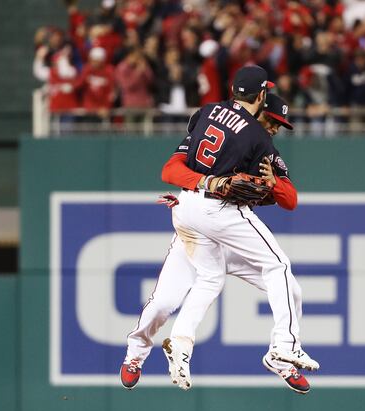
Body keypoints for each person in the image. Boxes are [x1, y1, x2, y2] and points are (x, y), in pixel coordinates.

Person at [120, 66, 319, 393]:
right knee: (162, 303)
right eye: (273, 120)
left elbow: (289, 197)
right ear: (260, 102)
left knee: (289, 289)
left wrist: (270, 184)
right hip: (211, 219)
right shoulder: (253, 138)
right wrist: (208, 181)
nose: (276, 128)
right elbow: (171, 169)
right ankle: (135, 354)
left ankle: (276, 359)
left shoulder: (231, 126)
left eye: (280, 126)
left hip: (224, 234)